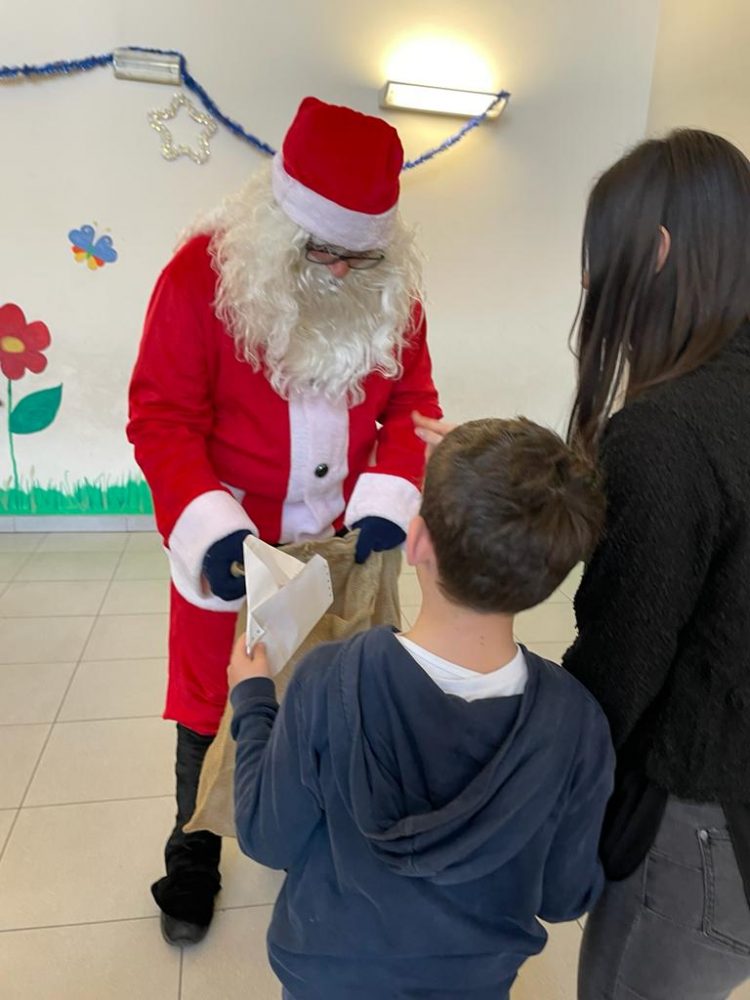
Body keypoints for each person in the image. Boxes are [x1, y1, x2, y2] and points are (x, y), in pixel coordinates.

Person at [416, 128, 750, 1000]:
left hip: (699, 829)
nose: (589, 283)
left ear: (661, 250)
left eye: (600, 259)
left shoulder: (668, 430)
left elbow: (618, 666)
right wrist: (505, 475)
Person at [127, 96, 441, 946]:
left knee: (335, 690)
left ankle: (317, 824)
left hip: (344, 545)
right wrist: (210, 528)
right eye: (323, 252)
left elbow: (413, 407)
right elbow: (160, 418)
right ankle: (194, 846)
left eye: (360, 257)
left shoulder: (392, 297)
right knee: (210, 700)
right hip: (233, 543)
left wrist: (386, 500)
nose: (341, 274)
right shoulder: (200, 277)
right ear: (280, 224)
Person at [228, 417, 614, 1000]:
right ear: (550, 575)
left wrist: (253, 700)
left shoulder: (327, 679)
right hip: (474, 980)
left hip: (327, 971)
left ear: (416, 541)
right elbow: (564, 897)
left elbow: (266, 837)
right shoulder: (577, 723)